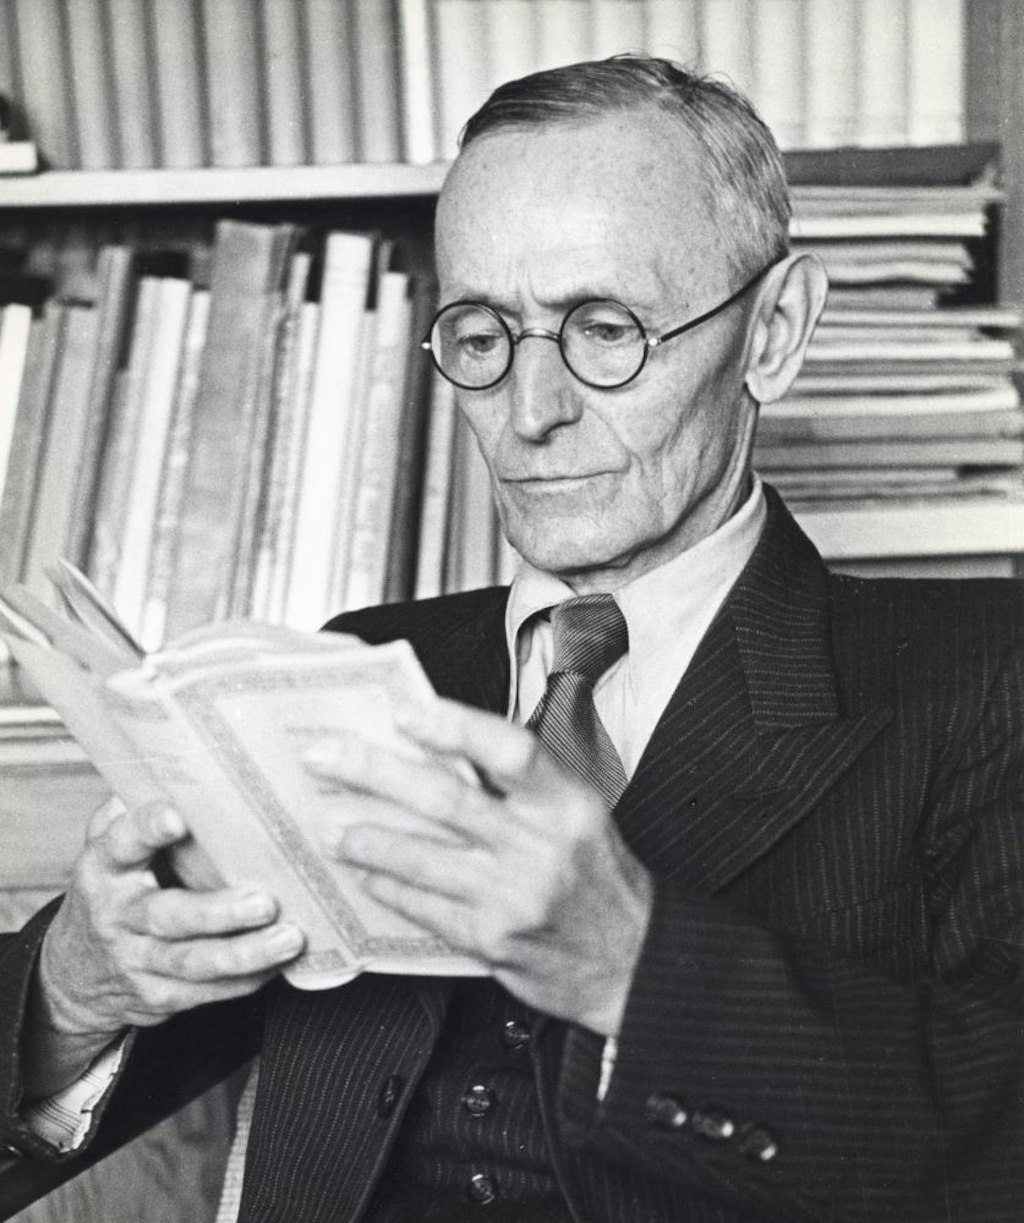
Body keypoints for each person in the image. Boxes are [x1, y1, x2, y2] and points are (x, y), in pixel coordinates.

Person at [2, 56, 1022, 1223]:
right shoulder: (355, 666)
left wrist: (634, 966)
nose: (530, 412)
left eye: (604, 328)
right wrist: (80, 984)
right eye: (481, 335)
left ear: (773, 331)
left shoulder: (984, 677)